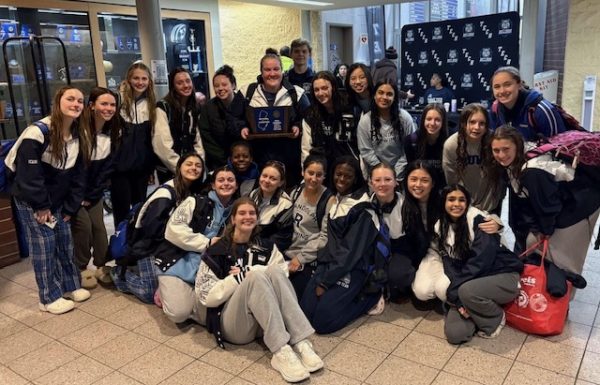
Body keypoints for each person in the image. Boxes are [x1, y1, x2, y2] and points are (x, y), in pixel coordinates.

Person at [195, 197, 323, 383]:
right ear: (232, 219)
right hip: (233, 325)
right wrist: (238, 279)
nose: (247, 217)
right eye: (242, 213)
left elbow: (281, 274)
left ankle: (300, 340)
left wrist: (251, 270)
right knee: (255, 277)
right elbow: (206, 297)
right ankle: (280, 350)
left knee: (271, 270)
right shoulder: (216, 250)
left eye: (252, 213)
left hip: (263, 324)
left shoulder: (267, 247)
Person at [6, 86, 89, 314]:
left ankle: (70, 285)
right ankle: (48, 297)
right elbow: (29, 176)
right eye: (70, 99)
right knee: (44, 246)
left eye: (80, 101)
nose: (76, 104)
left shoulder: (78, 133)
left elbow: (79, 176)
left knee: (64, 240)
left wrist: (71, 206)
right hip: (33, 200)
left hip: (59, 200)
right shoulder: (37, 133)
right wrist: (41, 206)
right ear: (58, 101)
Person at [490, 125, 600, 274]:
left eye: (506, 149)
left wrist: (545, 231)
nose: (501, 155)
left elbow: (548, 208)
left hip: (581, 203)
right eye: (496, 150)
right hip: (567, 198)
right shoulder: (523, 153)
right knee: (537, 244)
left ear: (517, 145)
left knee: (563, 259)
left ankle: (564, 292)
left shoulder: (532, 170)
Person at [301, 156, 382, 334]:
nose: (342, 179)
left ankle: (371, 297)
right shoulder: (337, 198)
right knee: (305, 315)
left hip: (354, 268)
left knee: (323, 323)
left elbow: (350, 253)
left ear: (356, 178)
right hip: (330, 263)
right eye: (338, 174)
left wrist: (325, 282)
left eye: (348, 176)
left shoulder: (363, 209)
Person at [111, 153, 205, 303]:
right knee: (149, 293)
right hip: (147, 247)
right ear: (179, 167)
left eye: (198, 165)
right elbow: (151, 230)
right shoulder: (166, 194)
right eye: (189, 164)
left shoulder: (193, 191)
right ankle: (118, 273)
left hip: (168, 246)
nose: (193, 168)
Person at [436, 185, 522, 344]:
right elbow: (450, 264)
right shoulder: (441, 227)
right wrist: (459, 299)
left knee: (466, 291)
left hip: (501, 275)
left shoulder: (479, 220)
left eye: (462, 199)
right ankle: (477, 309)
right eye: (451, 199)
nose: (456, 204)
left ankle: (495, 318)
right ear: (443, 202)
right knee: (456, 334)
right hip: (470, 282)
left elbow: (481, 261)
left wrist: (455, 293)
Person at [155, 166, 237, 323]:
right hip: (178, 263)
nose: (225, 183)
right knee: (178, 314)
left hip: (208, 270)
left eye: (230, 180)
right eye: (221, 180)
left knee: (212, 317)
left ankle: (185, 298)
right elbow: (173, 230)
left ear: (236, 185)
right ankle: (160, 289)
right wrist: (207, 242)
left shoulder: (237, 210)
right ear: (213, 185)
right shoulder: (195, 201)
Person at [240, 51, 310, 188]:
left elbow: (309, 119)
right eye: (267, 69)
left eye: (276, 69)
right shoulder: (246, 92)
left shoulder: (297, 93)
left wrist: (298, 126)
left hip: (290, 162)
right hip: (257, 161)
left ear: (282, 71)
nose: (272, 74)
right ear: (261, 72)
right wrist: (242, 127)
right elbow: (233, 117)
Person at [72, 87, 118, 289]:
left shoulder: (111, 133)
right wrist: (80, 196)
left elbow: (106, 170)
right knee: (84, 227)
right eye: (104, 104)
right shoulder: (77, 132)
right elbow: (75, 170)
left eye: (112, 104)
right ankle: (81, 267)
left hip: (94, 193)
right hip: (74, 193)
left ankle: (101, 265)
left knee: (99, 228)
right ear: (91, 106)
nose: (108, 108)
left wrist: (93, 194)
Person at [111, 62, 156, 225]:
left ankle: (136, 245)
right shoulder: (117, 101)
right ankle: (120, 247)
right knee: (122, 212)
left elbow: (150, 140)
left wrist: (151, 167)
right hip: (120, 170)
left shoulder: (151, 104)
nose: (140, 82)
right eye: (136, 78)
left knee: (140, 210)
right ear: (128, 79)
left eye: (144, 78)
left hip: (141, 170)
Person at [286, 153, 334, 298]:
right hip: (287, 251)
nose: (313, 179)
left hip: (309, 257)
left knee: (295, 294)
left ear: (324, 176)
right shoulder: (296, 192)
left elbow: (324, 237)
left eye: (318, 175)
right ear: (303, 172)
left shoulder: (329, 199)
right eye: (310, 173)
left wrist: (301, 257)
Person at [442, 103, 504, 214]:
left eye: (482, 123)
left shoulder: (494, 141)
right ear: (463, 123)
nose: (477, 127)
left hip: (491, 205)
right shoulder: (451, 145)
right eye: (472, 122)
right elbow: (452, 181)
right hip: (463, 206)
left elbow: (500, 175)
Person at [301, 71, 359, 179]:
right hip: (322, 171)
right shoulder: (310, 115)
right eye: (316, 90)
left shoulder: (350, 107)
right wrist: (306, 173)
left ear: (333, 87)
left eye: (324, 88)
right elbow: (306, 149)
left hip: (350, 168)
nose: (321, 93)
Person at [153, 67, 205, 183]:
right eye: (179, 83)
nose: (185, 85)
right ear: (173, 86)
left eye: (188, 81)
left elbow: (197, 142)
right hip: (170, 171)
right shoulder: (163, 108)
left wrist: (199, 165)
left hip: (192, 171)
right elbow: (162, 146)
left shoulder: (193, 108)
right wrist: (182, 168)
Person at [357, 80, 415, 181]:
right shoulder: (365, 121)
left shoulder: (405, 118)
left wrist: (395, 174)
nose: (384, 97)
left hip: (401, 175)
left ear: (394, 98)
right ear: (374, 96)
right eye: (380, 93)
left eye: (389, 94)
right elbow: (366, 151)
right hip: (376, 175)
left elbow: (410, 149)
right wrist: (383, 173)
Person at [489, 66, 566, 141]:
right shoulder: (495, 110)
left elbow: (561, 147)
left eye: (507, 85)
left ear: (519, 85)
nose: (502, 91)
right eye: (497, 87)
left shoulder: (541, 110)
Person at [199, 65, 248, 170]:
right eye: (216, 86)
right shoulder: (208, 108)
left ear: (233, 85)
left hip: (244, 160)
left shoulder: (245, 104)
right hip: (218, 162)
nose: (220, 88)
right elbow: (207, 137)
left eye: (224, 84)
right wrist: (224, 159)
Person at [249, 161, 294, 252]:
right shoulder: (254, 193)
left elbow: (281, 240)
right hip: (248, 243)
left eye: (273, 179)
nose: (266, 181)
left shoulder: (286, 205)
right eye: (264, 176)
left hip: (267, 250)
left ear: (280, 183)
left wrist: (251, 244)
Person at [404, 103, 448, 192]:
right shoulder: (411, 140)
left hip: (442, 189)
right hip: (420, 187)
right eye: (429, 119)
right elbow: (411, 170)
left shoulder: (450, 141)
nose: (432, 123)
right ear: (423, 120)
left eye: (437, 120)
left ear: (443, 122)